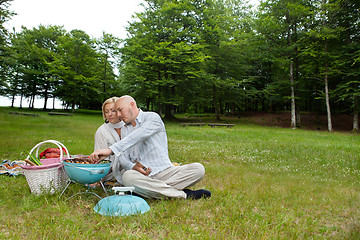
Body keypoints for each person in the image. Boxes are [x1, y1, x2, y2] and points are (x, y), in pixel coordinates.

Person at [90, 95, 211, 200]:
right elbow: (122, 157)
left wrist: (110, 150)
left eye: (120, 110)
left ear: (132, 105)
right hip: (143, 176)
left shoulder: (152, 118)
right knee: (127, 177)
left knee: (198, 169)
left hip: (165, 171)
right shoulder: (125, 129)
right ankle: (183, 195)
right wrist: (133, 166)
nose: (119, 115)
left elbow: (138, 136)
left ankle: (147, 191)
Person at [94, 97, 124, 184]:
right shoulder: (102, 131)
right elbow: (101, 159)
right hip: (110, 171)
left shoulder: (129, 126)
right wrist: (99, 179)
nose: (109, 114)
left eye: (113, 111)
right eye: (106, 112)